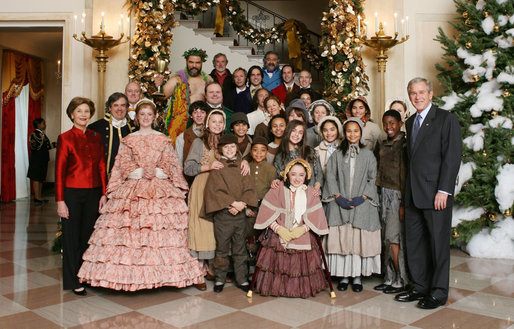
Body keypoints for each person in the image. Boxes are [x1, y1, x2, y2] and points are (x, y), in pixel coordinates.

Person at [78, 98, 206, 291]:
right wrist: (138, 171)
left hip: (159, 186)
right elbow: (121, 163)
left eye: (149, 115)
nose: (146, 118)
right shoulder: (128, 140)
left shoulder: (163, 139)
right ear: (137, 118)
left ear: (154, 118)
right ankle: (126, 277)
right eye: (142, 115)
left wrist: (156, 171)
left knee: (162, 229)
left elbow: (171, 163)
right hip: (134, 187)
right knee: (130, 229)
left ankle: (170, 275)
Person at [394, 77, 461, 309]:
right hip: (413, 194)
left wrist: (444, 190)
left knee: (438, 245)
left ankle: (438, 292)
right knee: (415, 244)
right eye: (413, 93)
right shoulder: (411, 121)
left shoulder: (446, 119)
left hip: (436, 195)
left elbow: (452, 157)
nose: (417, 97)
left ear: (431, 94)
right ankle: (419, 286)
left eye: (422, 92)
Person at [184, 109, 249, 280]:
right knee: (203, 228)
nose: (217, 125)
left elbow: (238, 160)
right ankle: (198, 272)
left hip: (223, 190)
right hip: (203, 187)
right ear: (207, 123)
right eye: (214, 121)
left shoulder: (228, 141)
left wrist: (246, 163)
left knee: (219, 229)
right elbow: (188, 168)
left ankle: (215, 269)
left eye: (221, 122)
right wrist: (208, 166)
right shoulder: (199, 142)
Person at [253, 159, 329, 298]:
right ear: (287, 174)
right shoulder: (278, 188)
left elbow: (316, 216)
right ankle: (279, 288)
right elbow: (266, 212)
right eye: (293, 174)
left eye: (301, 175)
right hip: (279, 231)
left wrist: (303, 229)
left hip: (301, 232)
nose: (297, 178)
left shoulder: (310, 192)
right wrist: (278, 229)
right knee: (278, 261)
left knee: (300, 262)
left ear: (306, 176)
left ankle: (297, 289)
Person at [55, 97, 107, 296]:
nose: (83, 114)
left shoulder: (95, 136)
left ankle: (85, 274)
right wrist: (60, 201)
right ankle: (72, 279)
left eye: (86, 111)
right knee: (71, 238)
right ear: (71, 114)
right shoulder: (65, 138)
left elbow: (102, 166)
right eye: (79, 111)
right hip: (72, 193)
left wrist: (103, 193)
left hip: (93, 193)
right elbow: (59, 172)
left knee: (88, 237)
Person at [322, 118, 381, 293]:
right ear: (344, 133)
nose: (352, 134)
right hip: (340, 202)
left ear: (361, 133)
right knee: (343, 238)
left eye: (356, 131)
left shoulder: (368, 155)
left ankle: (356, 276)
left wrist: (362, 197)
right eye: (349, 131)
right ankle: (343, 276)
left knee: (356, 239)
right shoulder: (336, 155)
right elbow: (330, 177)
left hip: (360, 202)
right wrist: (337, 196)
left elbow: (373, 177)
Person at [204, 134, 258, 293]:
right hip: (223, 215)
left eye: (232, 147)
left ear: (237, 148)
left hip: (240, 215)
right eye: (226, 147)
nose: (229, 150)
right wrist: (232, 203)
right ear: (221, 149)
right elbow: (215, 190)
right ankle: (220, 279)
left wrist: (242, 204)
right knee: (221, 249)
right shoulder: (218, 167)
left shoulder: (243, 165)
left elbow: (250, 188)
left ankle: (241, 278)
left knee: (240, 249)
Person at [373, 110, 409, 294]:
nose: (389, 127)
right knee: (385, 239)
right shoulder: (382, 143)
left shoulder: (403, 145)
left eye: (392, 123)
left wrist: (403, 204)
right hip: (383, 193)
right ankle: (388, 278)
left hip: (396, 196)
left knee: (394, 239)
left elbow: (404, 175)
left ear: (400, 123)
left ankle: (400, 279)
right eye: (385, 124)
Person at [155, 48, 213, 144]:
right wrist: (158, 86)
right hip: (179, 126)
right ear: (186, 62)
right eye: (191, 62)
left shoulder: (208, 80)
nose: (194, 65)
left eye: (197, 63)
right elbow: (162, 97)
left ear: (202, 62)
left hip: (201, 126)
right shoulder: (177, 79)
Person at [89, 92, 136, 176]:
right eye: (115, 105)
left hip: (129, 179)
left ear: (127, 108)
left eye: (123, 105)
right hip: (103, 180)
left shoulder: (135, 128)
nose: (119, 109)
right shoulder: (95, 128)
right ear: (110, 108)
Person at [273, 120, 323, 193]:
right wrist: (276, 181)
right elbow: (279, 178)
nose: (297, 134)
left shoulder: (310, 151)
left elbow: (319, 174)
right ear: (288, 132)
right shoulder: (280, 156)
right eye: (294, 131)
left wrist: (317, 187)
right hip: (290, 197)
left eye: (300, 132)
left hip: (311, 194)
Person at [27, 118, 55, 204]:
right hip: (37, 160)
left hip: (43, 159)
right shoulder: (34, 134)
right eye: (43, 123)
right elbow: (34, 147)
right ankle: (37, 197)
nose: (45, 125)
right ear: (38, 125)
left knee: (41, 178)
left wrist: (55, 144)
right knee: (36, 178)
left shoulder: (42, 134)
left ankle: (39, 197)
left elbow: (46, 147)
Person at [175, 101, 209, 167]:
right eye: (195, 112)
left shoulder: (213, 133)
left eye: (202, 112)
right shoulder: (182, 137)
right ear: (191, 116)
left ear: (207, 114)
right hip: (190, 175)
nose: (199, 115)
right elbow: (178, 163)